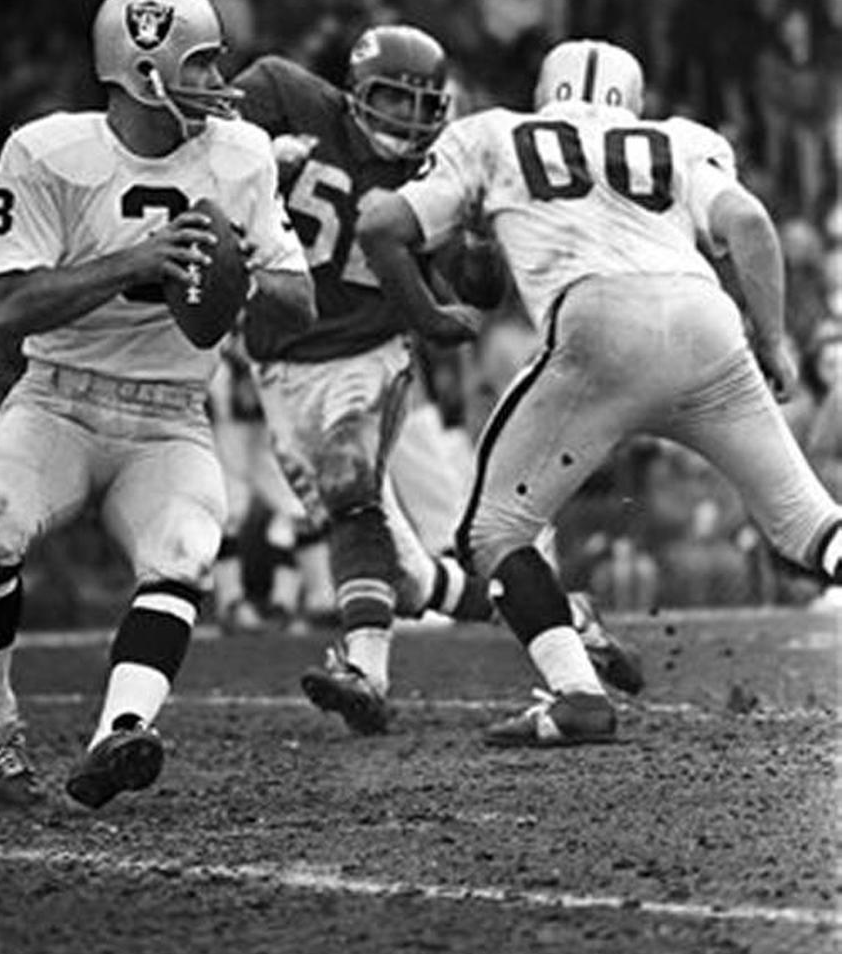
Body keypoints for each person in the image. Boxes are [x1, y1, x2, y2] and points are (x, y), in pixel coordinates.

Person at [358, 38, 842, 746]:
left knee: (492, 532)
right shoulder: (679, 139)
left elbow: (380, 227)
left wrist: (428, 316)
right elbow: (748, 224)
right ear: (634, 101)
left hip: (598, 325)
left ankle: (576, 693)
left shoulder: (493, 133)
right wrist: (771, 340)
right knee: (809, 523)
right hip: (707, 325)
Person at [0, 0, 315, 809]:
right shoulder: (49, 151)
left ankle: (117, 736)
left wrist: (232, 276)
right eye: (199, 64)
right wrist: (136, 261)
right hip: (58, 400)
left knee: (185, 554)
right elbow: (7, 309)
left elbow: (299, 305)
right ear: (142, 69)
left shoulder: (241, 154)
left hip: (169, 417)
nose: (219, 82)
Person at [231, 26, 513, 733]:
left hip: (370, 355)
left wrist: (479, 239)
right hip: (278, 367)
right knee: (408, 577)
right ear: (356, 93)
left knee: (350, 486)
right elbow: (204, 140)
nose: (411, 121)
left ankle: (365, 674)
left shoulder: (433, 175)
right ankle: (560, 617)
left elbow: (477, 294)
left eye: (426, 107)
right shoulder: (288, 97)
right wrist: (253, 154)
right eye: (394, 100)